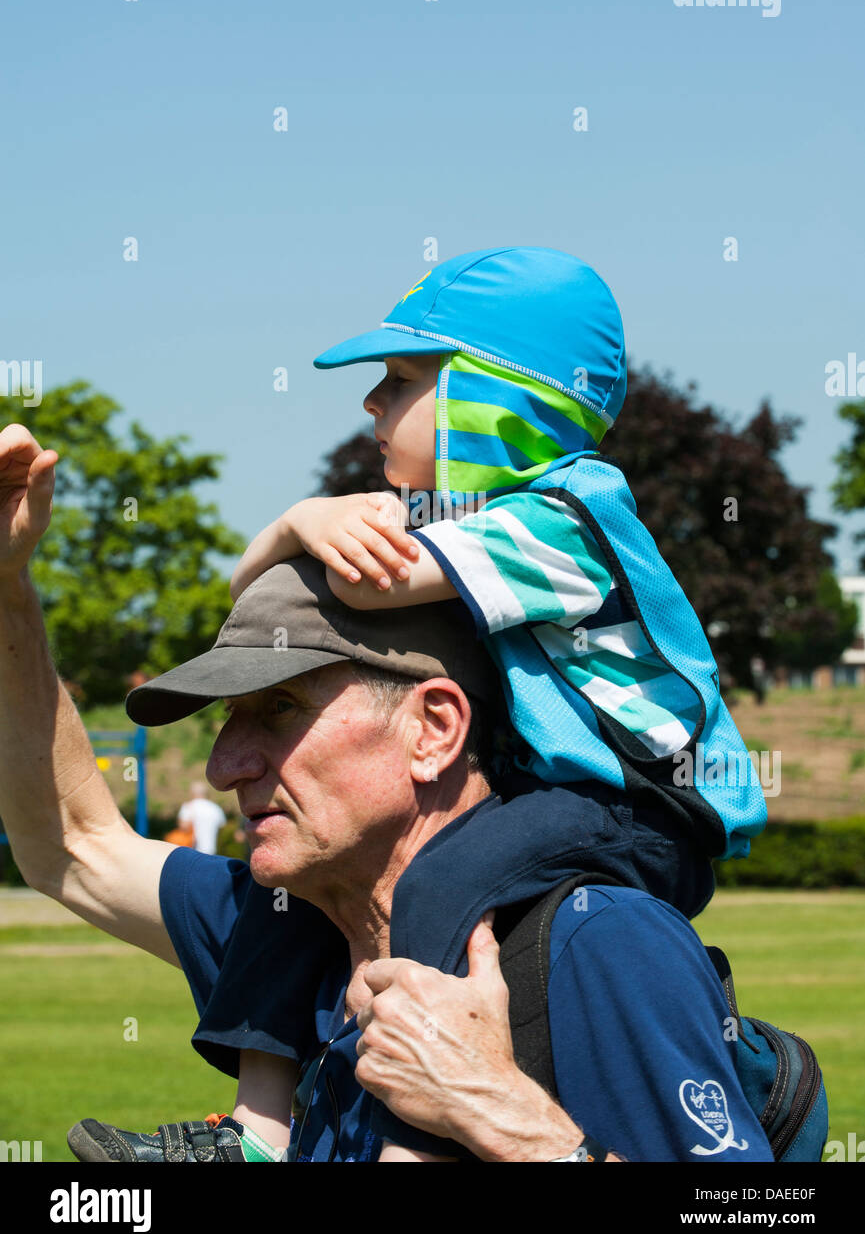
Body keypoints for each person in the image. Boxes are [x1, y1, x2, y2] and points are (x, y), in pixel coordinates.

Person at [0, 428, 772, 1161]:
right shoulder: (289, 929)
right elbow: (70, 841)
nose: (225, 765)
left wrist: (512, 1123)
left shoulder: (595, 944)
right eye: (228, 719)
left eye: (279, 709)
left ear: (433, 728)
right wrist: (5, 584)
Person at [177, 780, 226, 856]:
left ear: (192, 793)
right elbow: (222, 828)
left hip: (192, 851)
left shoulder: (188, 807)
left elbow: (183, 827)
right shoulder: (216, 808)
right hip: (211, 851)